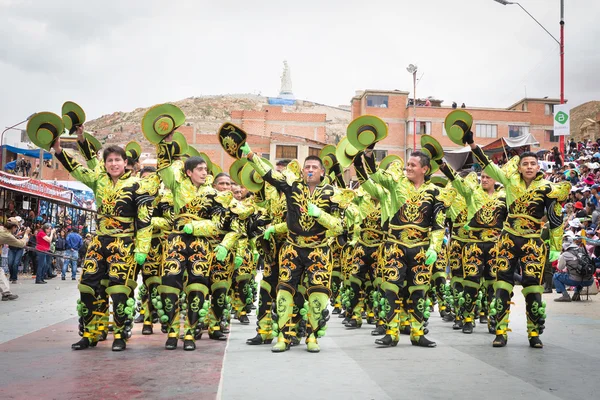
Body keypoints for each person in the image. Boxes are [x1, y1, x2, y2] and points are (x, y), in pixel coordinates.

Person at [52, 130, 155, 352]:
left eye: (118, 160)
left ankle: (120, 334)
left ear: (126, 163)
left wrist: (142, 249)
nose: (114, 163)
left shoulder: (139, 185)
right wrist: (59, 151)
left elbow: (145, 221)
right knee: (88, 288)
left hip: (125, 244)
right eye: (110, 160)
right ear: (105, 164)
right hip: (99, 243)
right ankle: (90, 333)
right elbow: (77, 169)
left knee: (119, 290)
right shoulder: (98, 180)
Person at [468, 133, 570, 348]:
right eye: (525, 164)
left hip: (533, 242)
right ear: (520, 167)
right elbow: (487, 164)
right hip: (508, 240)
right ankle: (500, 332)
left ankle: (534, 334)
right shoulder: (508, 180)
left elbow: (555, 218)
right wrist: (472, 144)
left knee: (533, 288)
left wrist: (555, 247)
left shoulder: (547, 188)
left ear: (538, 166)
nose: (529, 167)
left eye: (533, 163)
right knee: (502, 286)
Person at [242, 143, 342, 353]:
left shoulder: (332, 192)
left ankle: (312, 337)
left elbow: (340, 226)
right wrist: (251, 155)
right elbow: (269, 174)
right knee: (284, 292)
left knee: (317, 293)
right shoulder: (292, 186)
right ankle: (283, 337)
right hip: (292, 247)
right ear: (302, 170)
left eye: (315, 167)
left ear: (322, 172)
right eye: (307, 167)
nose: (311, 170)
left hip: (319, 249)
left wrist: (320, 215)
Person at [0, 217, 30, 300]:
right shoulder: (7, 235)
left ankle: (6, 293)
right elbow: (21, 244)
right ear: (14, 227)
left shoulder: (2, 228)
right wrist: (26, 234)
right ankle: (6, 293)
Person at [7, 217, 27, 283]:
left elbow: (25, 238)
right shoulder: (10, 228)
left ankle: (14, 278)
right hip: (12, 247)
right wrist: (17, 235)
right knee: (10, 263)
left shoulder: (23, 229)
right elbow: (9, 237)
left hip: (19, 248)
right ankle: (11, 276)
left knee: (15, 263)